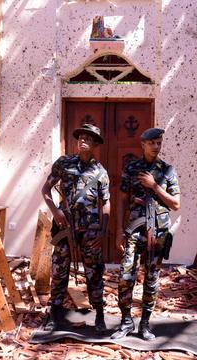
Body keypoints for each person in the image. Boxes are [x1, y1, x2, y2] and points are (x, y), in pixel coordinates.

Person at [111, 128, 181, 340]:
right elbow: (122, 199)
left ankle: (145, 324)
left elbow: (176, 204)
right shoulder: (131, 169)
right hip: (133, 230)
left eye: (159, 142)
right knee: (125, 276)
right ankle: (125, 321)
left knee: (152, 279)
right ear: (143, 144)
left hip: (158, 232)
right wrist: (118, 231)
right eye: (152, 143)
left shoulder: (168, 171)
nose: (156, 146)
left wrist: (155, 186)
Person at [41, 124, 110, 334]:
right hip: (64, 226)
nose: (83, 140)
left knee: (94, 272)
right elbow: (45, 190)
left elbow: (105, 202)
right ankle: (54, 313)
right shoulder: (63, 163)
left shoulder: (100, 172)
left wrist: (103, 231)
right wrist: (56, 212)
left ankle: (99, 314)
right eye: (80, 136)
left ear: (95, 144)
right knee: (59, 270)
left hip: (90, 231)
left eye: (88, 138)